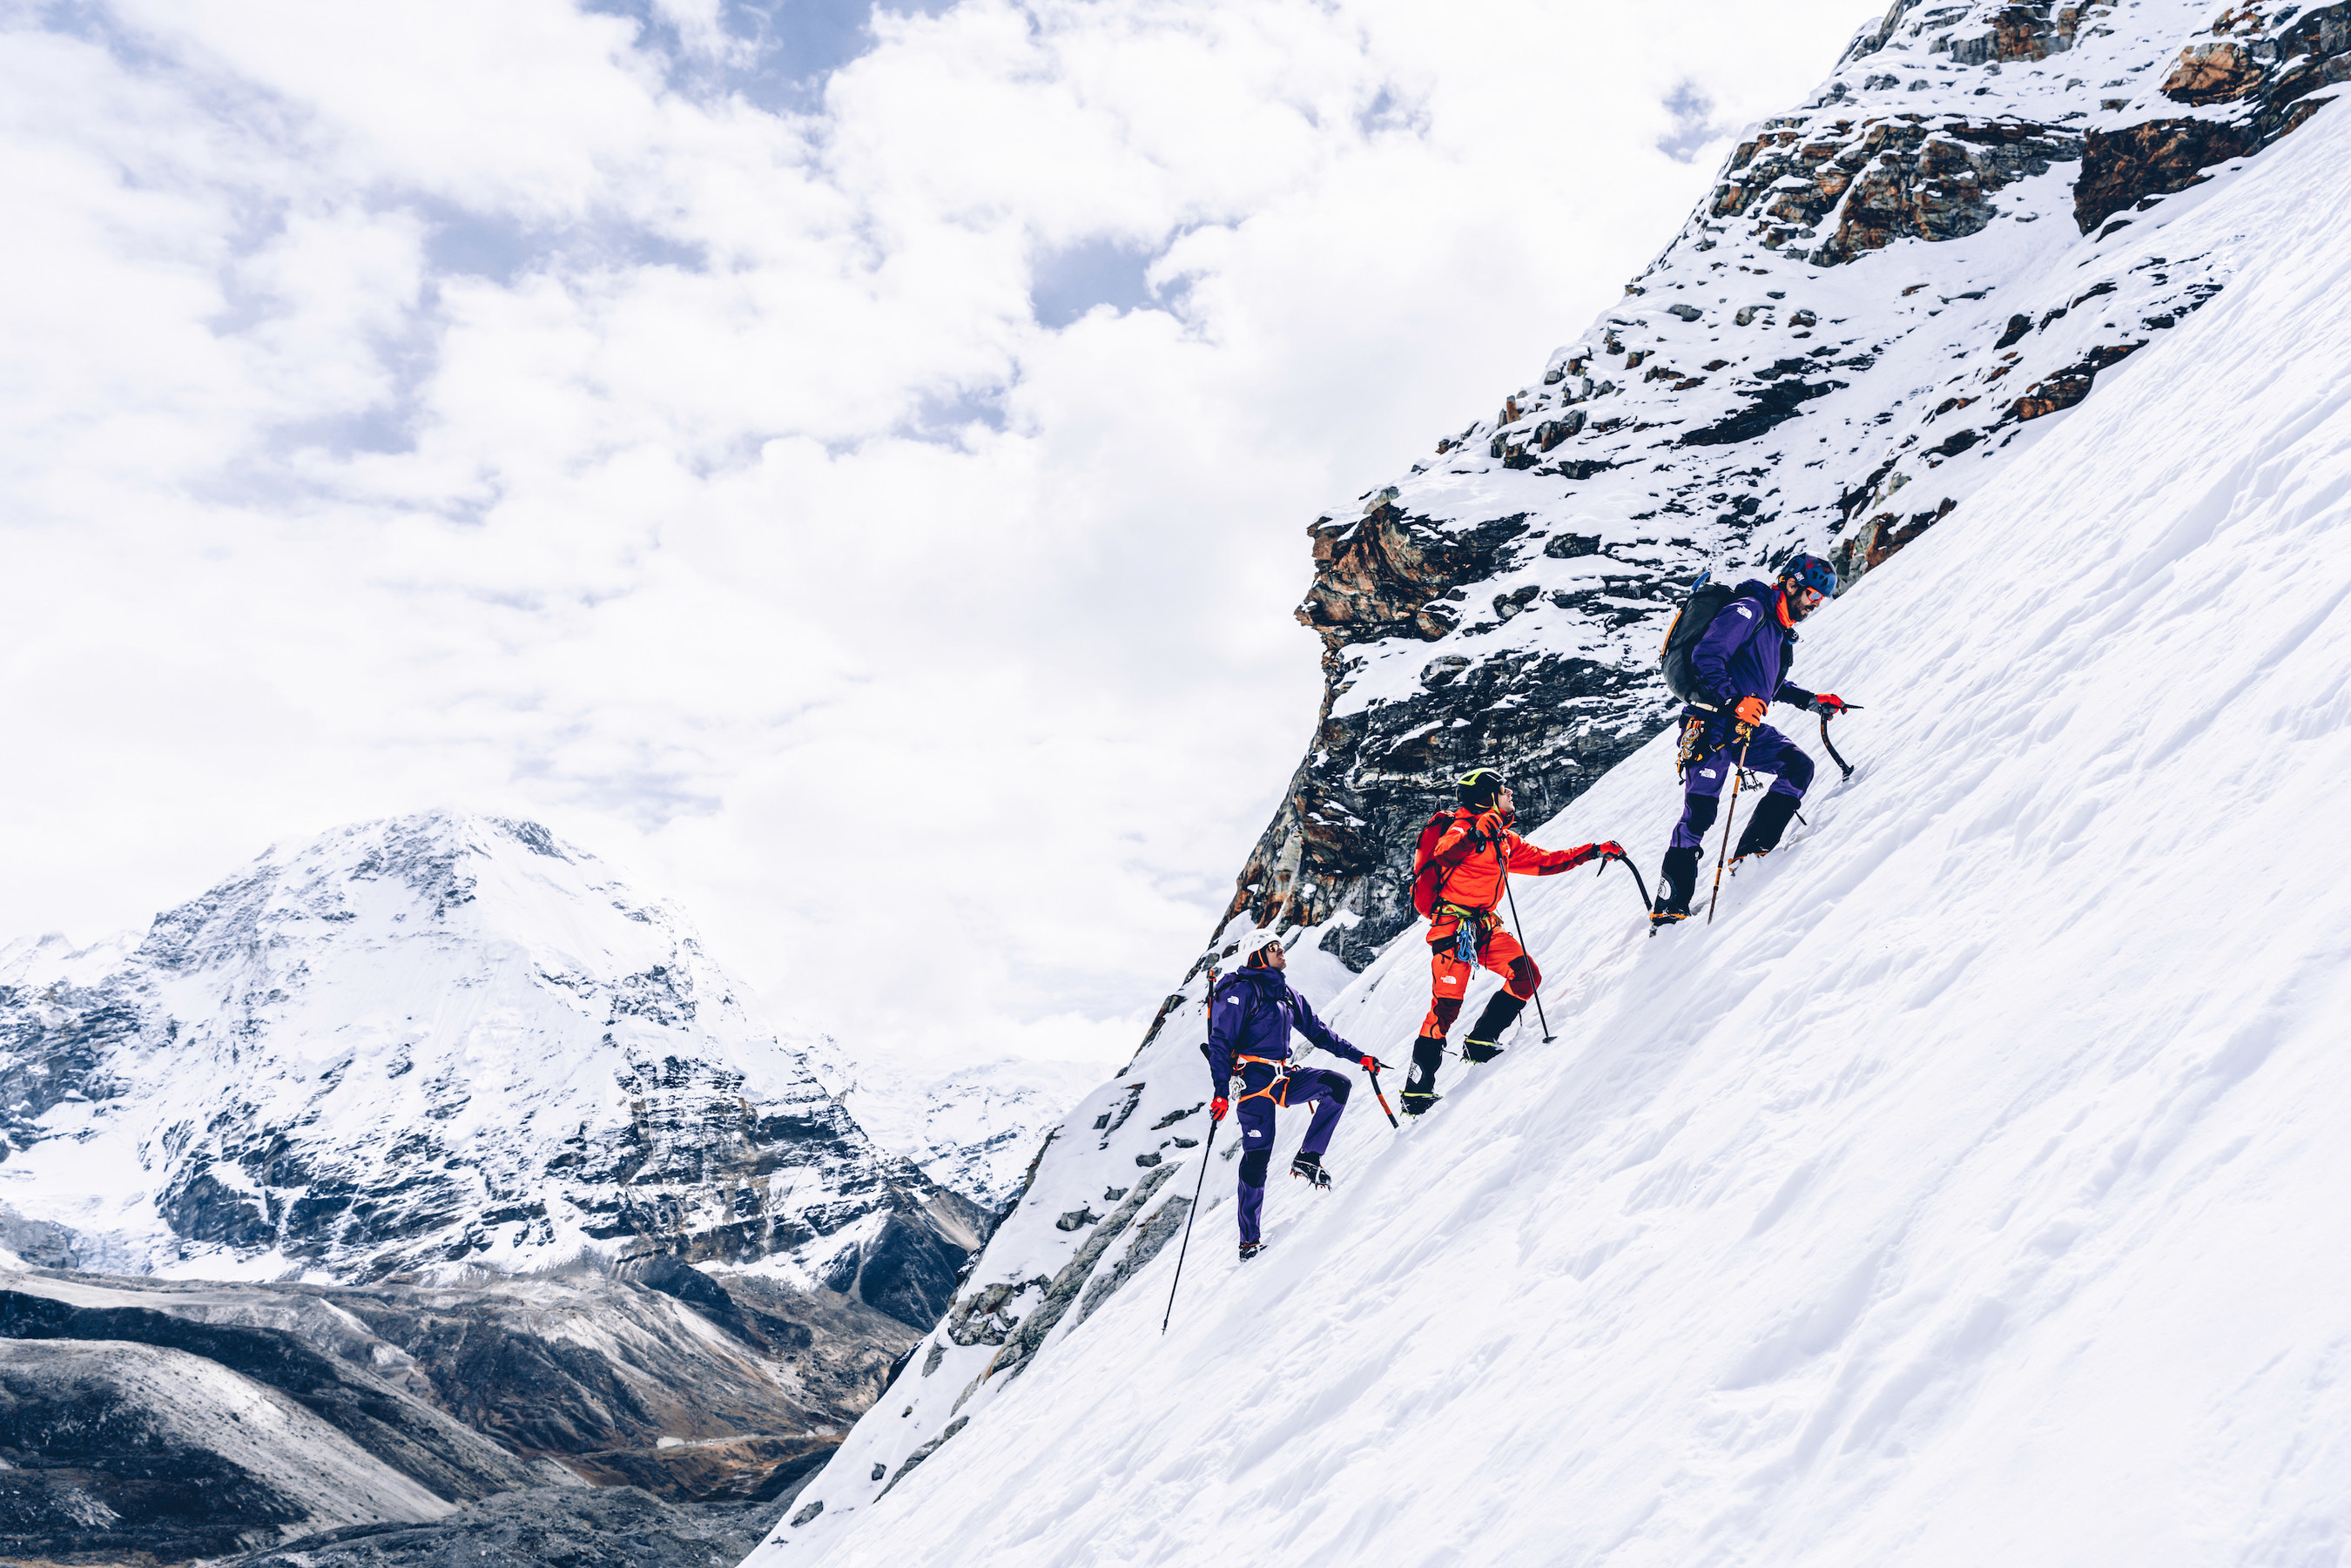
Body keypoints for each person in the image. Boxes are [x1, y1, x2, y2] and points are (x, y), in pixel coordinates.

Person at [1402, 768, 1622, 1117]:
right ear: (1487, 798)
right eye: (1503, 790)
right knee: (1445, 1010)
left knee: (1526, 976)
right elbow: (1444, 853)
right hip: (1452, 931)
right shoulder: (1461, 827)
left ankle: (1481, 1041)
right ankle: (1416, 1092)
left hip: (1484, 927)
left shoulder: (1504, 840)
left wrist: (1593, 851)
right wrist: (1475, 833)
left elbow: (1546, 862)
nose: (1510, 794)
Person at [1650, 553, 1852, 929]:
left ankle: (1750, 857)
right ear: (1791, 584)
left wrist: (1811, 700)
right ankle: (1668, 910)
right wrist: (1733, 701)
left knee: (1798, 767)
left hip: (1743, 729)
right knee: (1699, 814)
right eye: (1812, 595)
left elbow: (1768, 684)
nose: (1814, 605)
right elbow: (1706, 657)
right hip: (1709, 726)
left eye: (1820, 599)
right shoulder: (1748, 610)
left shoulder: (1777, 631)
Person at [1205, 931, 1382, 1261]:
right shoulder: (1242, 991)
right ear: (1257, 955)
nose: (1282, 951)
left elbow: (1319, 1033)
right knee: (1257, 1160)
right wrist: (1220, 1092)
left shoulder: (1286, 994)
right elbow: (1220, 1043)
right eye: (1274, 948)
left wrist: (1360, 1057)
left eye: (1282, 947)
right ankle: (1249, 1242)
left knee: (1337, 1085)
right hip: (1252, 1084)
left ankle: (1308, 1157)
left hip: (1283, 1076)